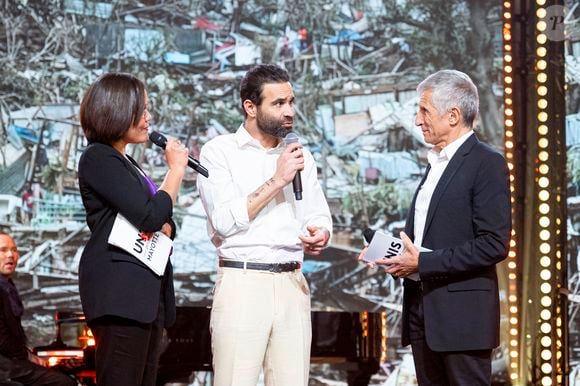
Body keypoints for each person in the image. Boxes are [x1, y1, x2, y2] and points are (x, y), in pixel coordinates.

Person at [359, 70, 511, 385]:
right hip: (423, 315)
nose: (417, 120)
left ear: (453, 115)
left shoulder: (486, 163)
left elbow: (494, 244)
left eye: (424, 110)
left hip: (463, 321)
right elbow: (423, 240)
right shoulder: (434, 164)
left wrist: (423, 263)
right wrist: (391, 253)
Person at [197, 64, 332, 386]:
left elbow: (317, 211)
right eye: (278, 103)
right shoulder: (220, 152)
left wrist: (320, 232)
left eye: (291, 101)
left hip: (292, 282)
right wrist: (277, 179)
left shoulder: (299, 155)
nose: (290, 111)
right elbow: (224, 221)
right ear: (250, 107)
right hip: (243, 279)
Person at [77, 73, 188, 386]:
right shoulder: (98, 156)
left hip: (143, 296)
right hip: (120, 295)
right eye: (142, 111)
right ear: (116, 111)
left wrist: (162, 219)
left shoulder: (127, 163)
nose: (148, 118)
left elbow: (163, 221)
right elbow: (151, 217)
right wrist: (176, 170)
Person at [0, 232, 76, 386]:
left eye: (14, 250)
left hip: (11, 361)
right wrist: (28, 357)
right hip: (5, 367)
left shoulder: (8, 287)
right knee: (64, 383)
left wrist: (29, 355)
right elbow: (2, 339)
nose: (10, 255)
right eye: (3, 250)